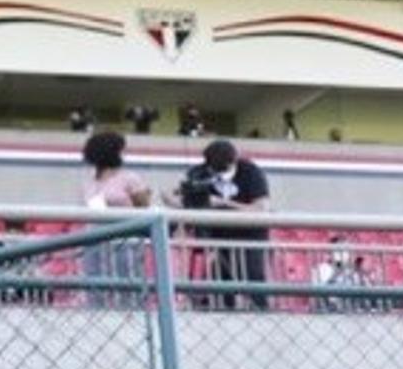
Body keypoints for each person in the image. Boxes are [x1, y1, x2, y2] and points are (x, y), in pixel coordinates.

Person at [168, 139, 271, 311]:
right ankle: (221, 308)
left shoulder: (251, 172)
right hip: (215, 236)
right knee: (220, 278)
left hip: (249, 235)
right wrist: (187, 202)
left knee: (254, 275)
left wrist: (223, 203)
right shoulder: (199, 173)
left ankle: (260, 309)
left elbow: (261, 208)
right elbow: (176, 197)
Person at [79, 131, 153, 306]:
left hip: (125, 241)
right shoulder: (89, 182)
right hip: (95, 240)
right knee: (95, 282)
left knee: (128, 283)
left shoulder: (130, 178)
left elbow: (143, 206)